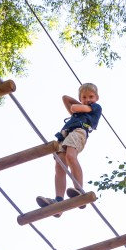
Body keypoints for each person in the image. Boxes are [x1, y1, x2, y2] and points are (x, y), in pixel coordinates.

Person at [36, 83, 102, 216]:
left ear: (97, 98)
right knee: (59, 165)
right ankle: (58, 201)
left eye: (91, 96)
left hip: (79, 131)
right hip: (65, 134)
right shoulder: (78, 111)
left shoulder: (95, 107)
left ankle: (79, 190)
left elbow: (74, 107)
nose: (88, 99)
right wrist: (78, 105)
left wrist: (80, 106)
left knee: (71, 156)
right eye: (84, 97)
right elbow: (65, 98)